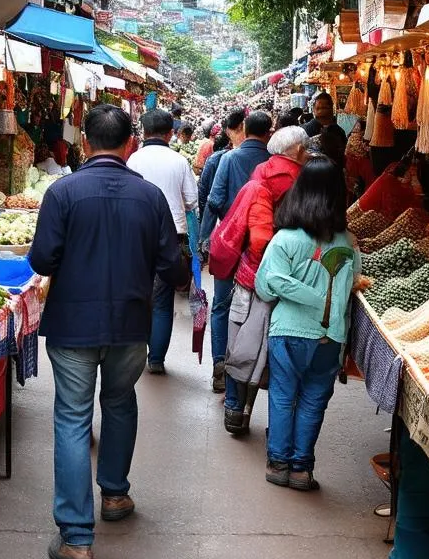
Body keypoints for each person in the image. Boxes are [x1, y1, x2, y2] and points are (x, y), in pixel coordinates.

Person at [28, 105, 189, 559]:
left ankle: (77, 539)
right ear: (129, 146)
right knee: (119, 402)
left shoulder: (63, 192)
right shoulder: (150, 198)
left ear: (86, 144)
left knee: (74, 419)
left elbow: (41, 260)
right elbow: (175, 270)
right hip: (129, 325)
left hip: (73, 326)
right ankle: (115, 494)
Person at [255, 157, 366, 490]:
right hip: (329, 337)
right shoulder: (347, 243)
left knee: (282, 395)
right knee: (313, 400)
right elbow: (352, 283)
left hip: (288, 332)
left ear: (299, 192)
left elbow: (265, 284)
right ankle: (302, 469)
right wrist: (326, 301)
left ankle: (278, 463)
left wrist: (306, 294)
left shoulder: (285, 239)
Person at [223, 126, 310, 434]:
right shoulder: (301, 178)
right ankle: (278, 423)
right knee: (278, 350)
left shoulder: (262, 172)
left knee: (243, 341)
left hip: (250, 273)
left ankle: (235, 409)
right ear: (298, 150)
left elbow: (257, 236)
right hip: (287, 276)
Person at [202, 111, 273, 391]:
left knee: (221, 305)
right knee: (259, 308)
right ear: (269, 132)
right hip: (262, 249)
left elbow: (214, 199)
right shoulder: (271, 162)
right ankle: (251, 370)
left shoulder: (229, 159)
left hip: (230, 245)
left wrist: (208, 237)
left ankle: (220, 365)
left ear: (243, 128)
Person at [127, 108, 199, 374]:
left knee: (137, 295)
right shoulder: (179, 162)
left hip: (135, 236)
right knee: (162, 300)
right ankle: (156, 359)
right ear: (171, 133)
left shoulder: (133, 159)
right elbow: (192, 201)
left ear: (143, 132)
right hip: (171, 237)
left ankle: (134, 353)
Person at [197, 108, 245, 233]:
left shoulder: (218, 158)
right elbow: (206, 196)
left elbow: (205, 196)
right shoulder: (218, 158)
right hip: (226, 225)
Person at [198, 130, 230, 217]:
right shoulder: (214, 159)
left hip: (214, 209)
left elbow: (203, 190)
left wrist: (203, 214)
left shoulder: (213, 159)